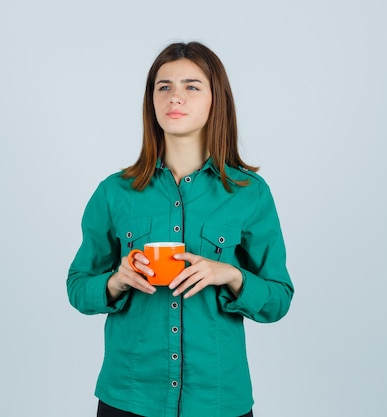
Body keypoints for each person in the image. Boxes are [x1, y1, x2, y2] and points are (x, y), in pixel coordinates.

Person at [67, 41, 294, 417]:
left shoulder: (249, 194)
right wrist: (115, 282)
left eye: (191, 86)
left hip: (217, 399)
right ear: (151, 101)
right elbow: (78, 285)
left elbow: (278, 298)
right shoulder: (114, 192)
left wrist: (232, 275)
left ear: (214, 99)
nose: (176, 97)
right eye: (164, 86)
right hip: (130, 396)